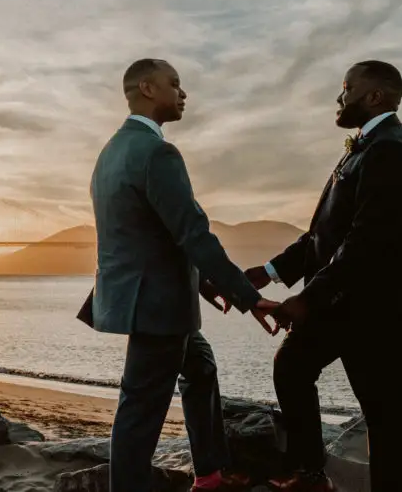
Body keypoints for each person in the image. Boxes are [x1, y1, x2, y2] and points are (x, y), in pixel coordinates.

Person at [82, 58, 276, 492]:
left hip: (142, 296)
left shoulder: (110, 153)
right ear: (148, 89)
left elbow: (147, 233)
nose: (183, 93)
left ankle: (209, 472)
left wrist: (204, 283)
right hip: (157, 305)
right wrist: (247, 295)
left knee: (201, 367)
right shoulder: (157, 152)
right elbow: (193, 232)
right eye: (175, 84)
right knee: (139, 410)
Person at [248, 61, 402, 492]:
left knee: (384, 417)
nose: (339, 98)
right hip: (344, 303)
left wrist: (308, 299)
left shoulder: (391, 149)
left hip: (377, 310)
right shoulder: (367, 147)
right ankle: (311, 475)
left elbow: (367, 241)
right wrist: (270, 272)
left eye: (346, 89)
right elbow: (323, 236)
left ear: (375, 97)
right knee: (292, 366)